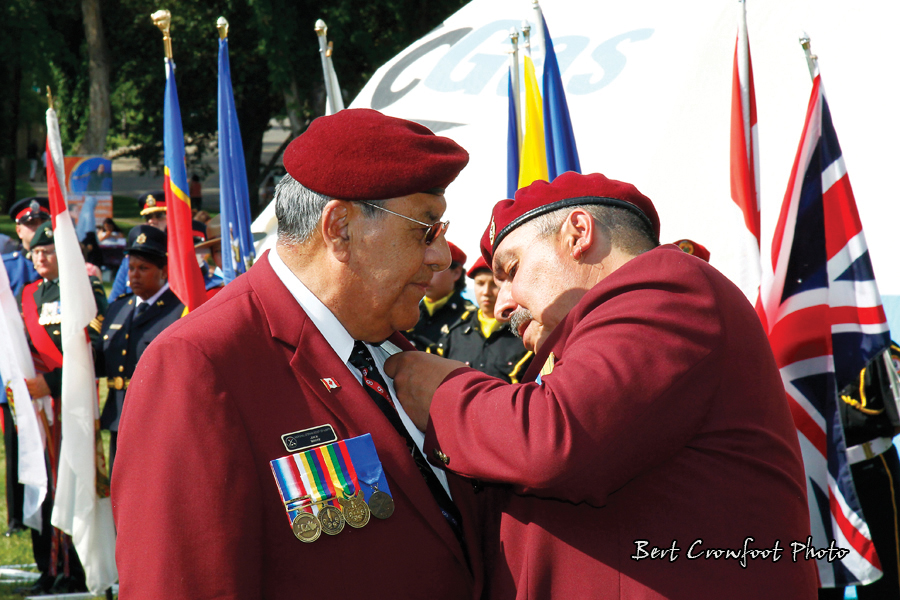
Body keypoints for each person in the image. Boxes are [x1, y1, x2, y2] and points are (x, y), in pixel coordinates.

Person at [386, 172, 819, 599]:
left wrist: (443, 391)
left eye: (512, 269)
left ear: (578, 233)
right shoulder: (589, 338)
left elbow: (553, 438)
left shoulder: (670, 285)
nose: (503, 305)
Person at [112, 108, 488, 599]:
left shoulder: (392, 348)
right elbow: (182, 581)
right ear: (340, 228)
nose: (440, 256)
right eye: (425, 228)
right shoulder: (201, 364)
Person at [18, 221, 107, 594]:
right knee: (46, 485)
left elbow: (96, 351)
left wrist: (52, 383)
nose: (41, 257)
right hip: (39, 410)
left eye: (49, 251)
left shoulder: (85, 293)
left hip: (74, 404)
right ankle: (49, 565)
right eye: (36, 252)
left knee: (77, 480)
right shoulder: (29, 294)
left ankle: (78, 566)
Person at [94, 225, 182, 478]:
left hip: (157, 419)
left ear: (163, 271)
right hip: (118, 416)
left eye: (143, 268)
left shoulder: (179, 310)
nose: (134, 275)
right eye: (131, 268)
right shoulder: (117, 308)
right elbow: (101, 361)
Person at [819, 341, 900, 600]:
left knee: (886, 578)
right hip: (821, 474)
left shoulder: (877, 346)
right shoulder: (799, 348)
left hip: (872, 470)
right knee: (824, 580)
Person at [436, 256, 533, 383]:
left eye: (494, 284)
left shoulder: (526, 334)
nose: (486, 292)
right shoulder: (453, 334)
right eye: (480, 283)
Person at [405, 241, 474, 352]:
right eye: (421, 266)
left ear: (456, 273)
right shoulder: (406, 312)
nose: (424, 274)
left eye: (433, 267)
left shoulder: (471, 319)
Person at [108, 191, 166, 301]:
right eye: (148, 217)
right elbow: (114, 300)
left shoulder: (179, 257)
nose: (152, 221)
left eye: (159, 216)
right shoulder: (130, 259)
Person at [3, 198, 48, 297]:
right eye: (31, 223)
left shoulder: (62, 263)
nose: (39, 228)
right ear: (19, 231)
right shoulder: (6, 267)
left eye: (43, 222)